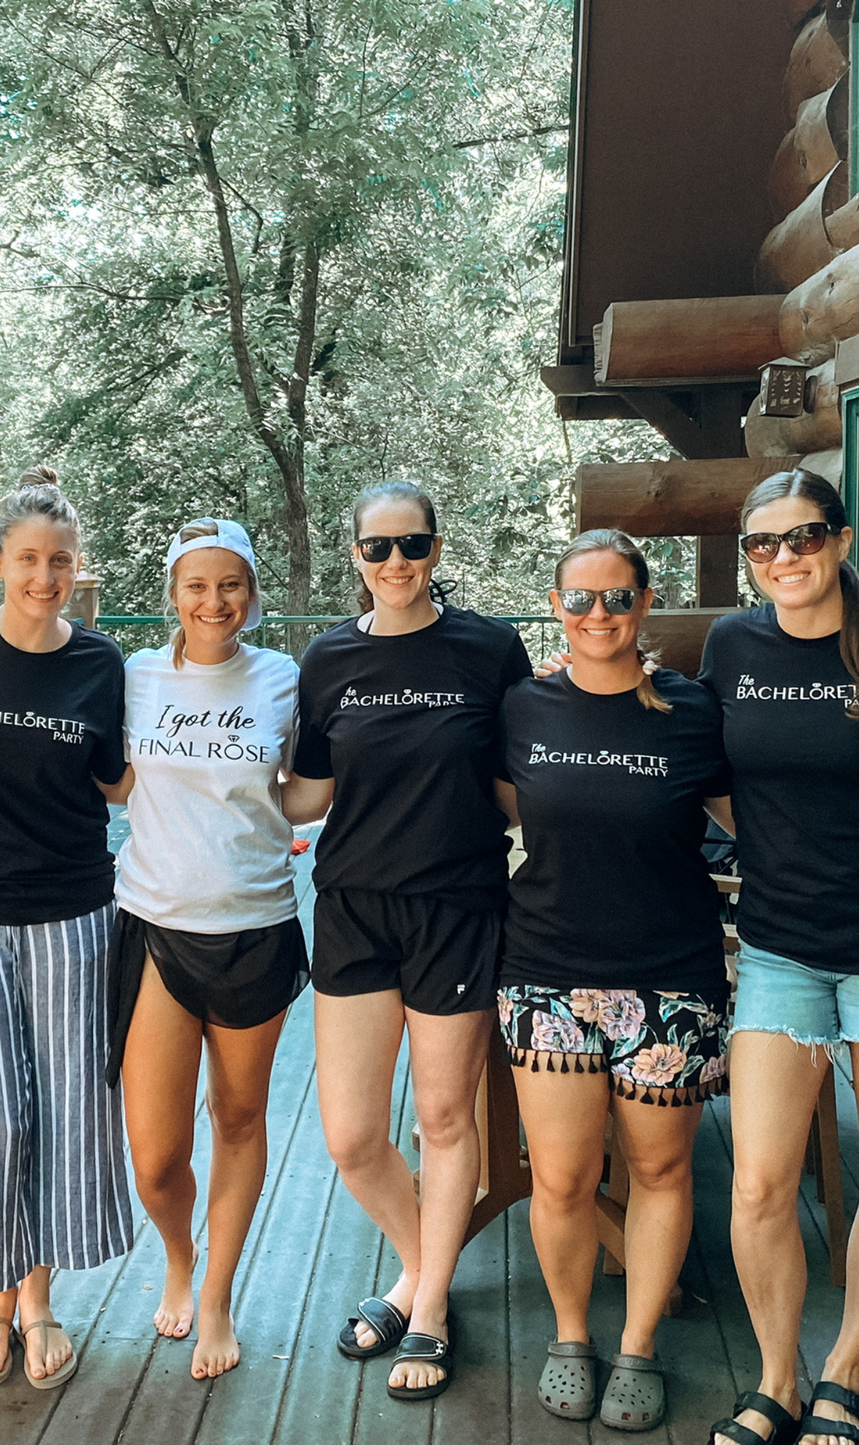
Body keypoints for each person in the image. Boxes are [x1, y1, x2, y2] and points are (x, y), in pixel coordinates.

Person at [281, 479, 531, 1401]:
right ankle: (419, 1268)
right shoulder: (328, 657)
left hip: (458, 903)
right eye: (377, 548)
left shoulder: (487, 647)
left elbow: (516, 779)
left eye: (411, 545)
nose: (395, 564)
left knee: (443, 1120)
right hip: (350, 904)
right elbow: (307, 792)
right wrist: (209, 775)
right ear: (354, 555)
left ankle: (424, 1307)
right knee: (351, 1136)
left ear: (435, 548)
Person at [702, 472, 859, 1445]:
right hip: (779, 944)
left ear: (837, 541)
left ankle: (842, 1369)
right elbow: (713, 775)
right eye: (761, 544)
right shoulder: (730, 642)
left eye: (801, 537)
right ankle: (774, 1378)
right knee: (756, 1180)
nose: (782, 557)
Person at [496, 530, 731, 1433]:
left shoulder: (691, 708)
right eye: (580, 599)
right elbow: (490, 800)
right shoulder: (521, 706)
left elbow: (753, 808)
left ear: (645, 600)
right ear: (556, 606)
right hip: (548, 972)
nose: (599, 615)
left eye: (617, 597)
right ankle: (569, 1335)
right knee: (559, 1177)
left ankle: (636, 1344)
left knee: (661, 1167)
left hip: (671, 974)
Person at [0, 468, 133, 1391]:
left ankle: (35, 1300)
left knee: (61, 1105)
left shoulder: (101, 662)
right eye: (29, 559)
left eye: (61, 562)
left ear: (79, 570)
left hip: (74, 912)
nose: (43, 576)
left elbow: (122, 780)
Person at [103, 518, 306, 1381]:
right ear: (172, 595)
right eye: (195, 584)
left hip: (255, 924)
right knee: (153, 1156)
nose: (212, 600)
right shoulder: (135, 677)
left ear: (251, 592)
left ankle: (215, 1288)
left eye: (229, 583)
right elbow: (103, 776)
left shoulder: (284, 677)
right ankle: (179, 1252)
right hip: (154, 924)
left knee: (237, 1118)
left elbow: (305, 790)